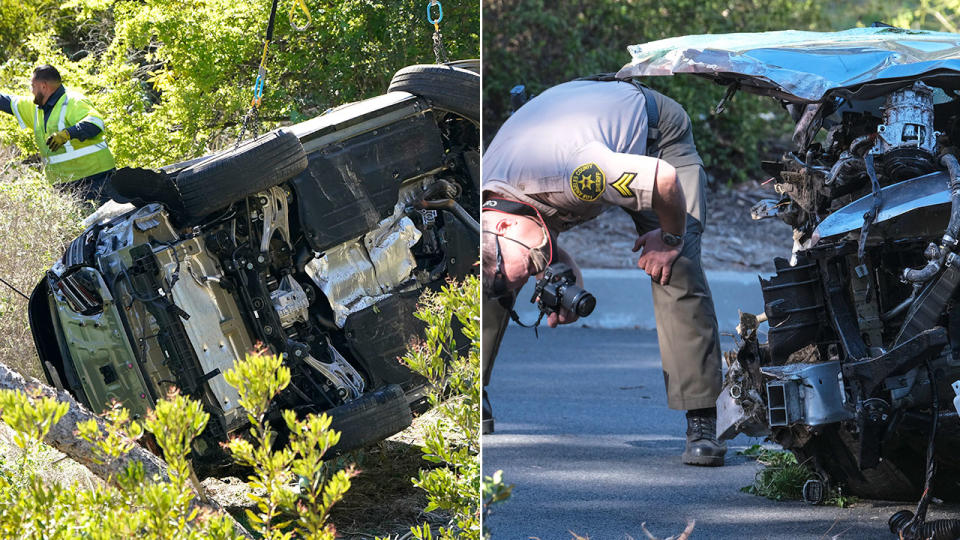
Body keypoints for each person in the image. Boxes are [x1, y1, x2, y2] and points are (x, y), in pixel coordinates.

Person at [481, 77, 726, 466]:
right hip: (574, 127)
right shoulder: (487, 206)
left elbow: (663, 179)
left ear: (505, 225)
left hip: (654, 137)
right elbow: (524, 237)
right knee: (492, 278)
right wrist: (561, 268)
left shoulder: (582, 174)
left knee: (674, 269)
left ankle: (702, 418)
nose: (535, 273)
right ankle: (473, 391)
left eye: (531, 267)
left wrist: (670, 237)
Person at [0, 65, 116, 205]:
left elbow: (95, 123)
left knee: (108, 224)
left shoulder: (73, 101)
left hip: (97, 179)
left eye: (33, 86)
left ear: (43, 86)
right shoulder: (35, 108)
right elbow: (6, 101)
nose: (31, 90)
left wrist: (67, 134)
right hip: (66, 185)